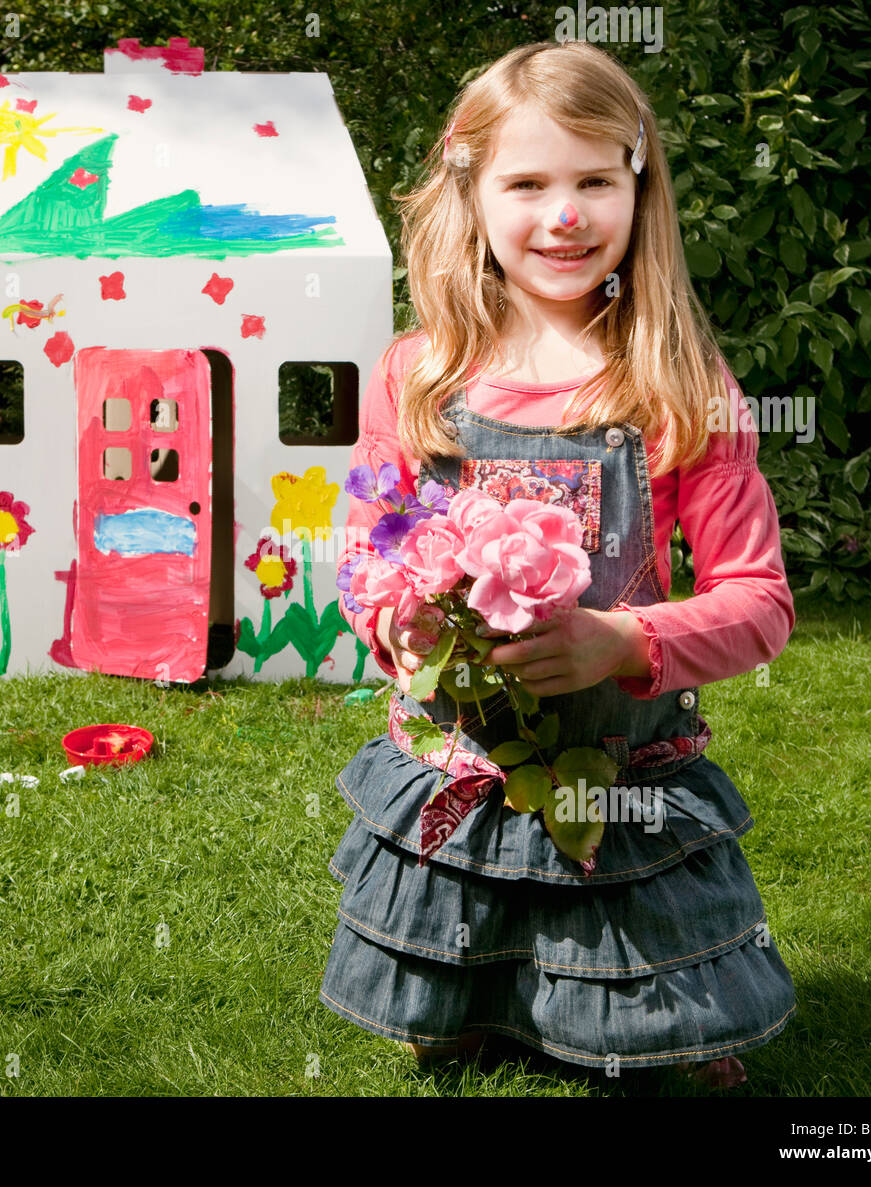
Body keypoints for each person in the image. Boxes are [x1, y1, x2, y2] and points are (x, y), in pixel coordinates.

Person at [319, 40, 796, 1090]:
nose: (564, 215)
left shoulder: (675, 384)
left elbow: (759, 601)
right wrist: (388, 614)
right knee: (452, 993)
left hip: (614, 771)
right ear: (471, 194)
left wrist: (621, 638)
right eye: (526, 183)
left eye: (593, 180)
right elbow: (365, 542)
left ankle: (658, 1003)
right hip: (466, 759)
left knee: (658, 1010)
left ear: (639, 192)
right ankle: (469, 996)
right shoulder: (417, 377)